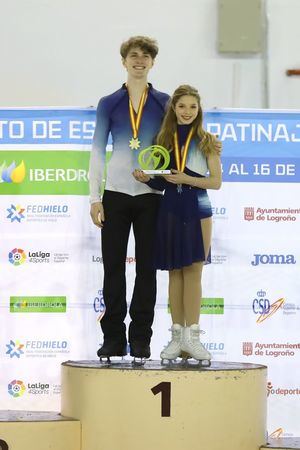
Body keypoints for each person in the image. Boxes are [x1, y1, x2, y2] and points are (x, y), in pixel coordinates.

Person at [89, 36, 170, 360]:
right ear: (124, 62)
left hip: (150, 195)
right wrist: (95, 199)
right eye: (133, 56)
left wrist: (160, 179)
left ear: (152, 62)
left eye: (145, 56)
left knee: (147, 269)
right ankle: (112, 338)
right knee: (113, 269)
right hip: (116, 196)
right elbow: (96, 152)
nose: (139, 60)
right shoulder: (108, 103)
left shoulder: (164, 102)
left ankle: (140, 339)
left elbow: (172, 150)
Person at [133, 85, 222, 363]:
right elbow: (164, 179)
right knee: (174, 273)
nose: (187, 112)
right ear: (174, 108)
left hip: (198, 208)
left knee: (194, 272)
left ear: (199, 110)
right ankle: (176, 339)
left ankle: (193, 340)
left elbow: (215, 182)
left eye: (192, 107)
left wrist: (187, 179)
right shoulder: (164, 139)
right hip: (170, 208)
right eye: (182, 106)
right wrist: (147, 179)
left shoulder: (208, 141)